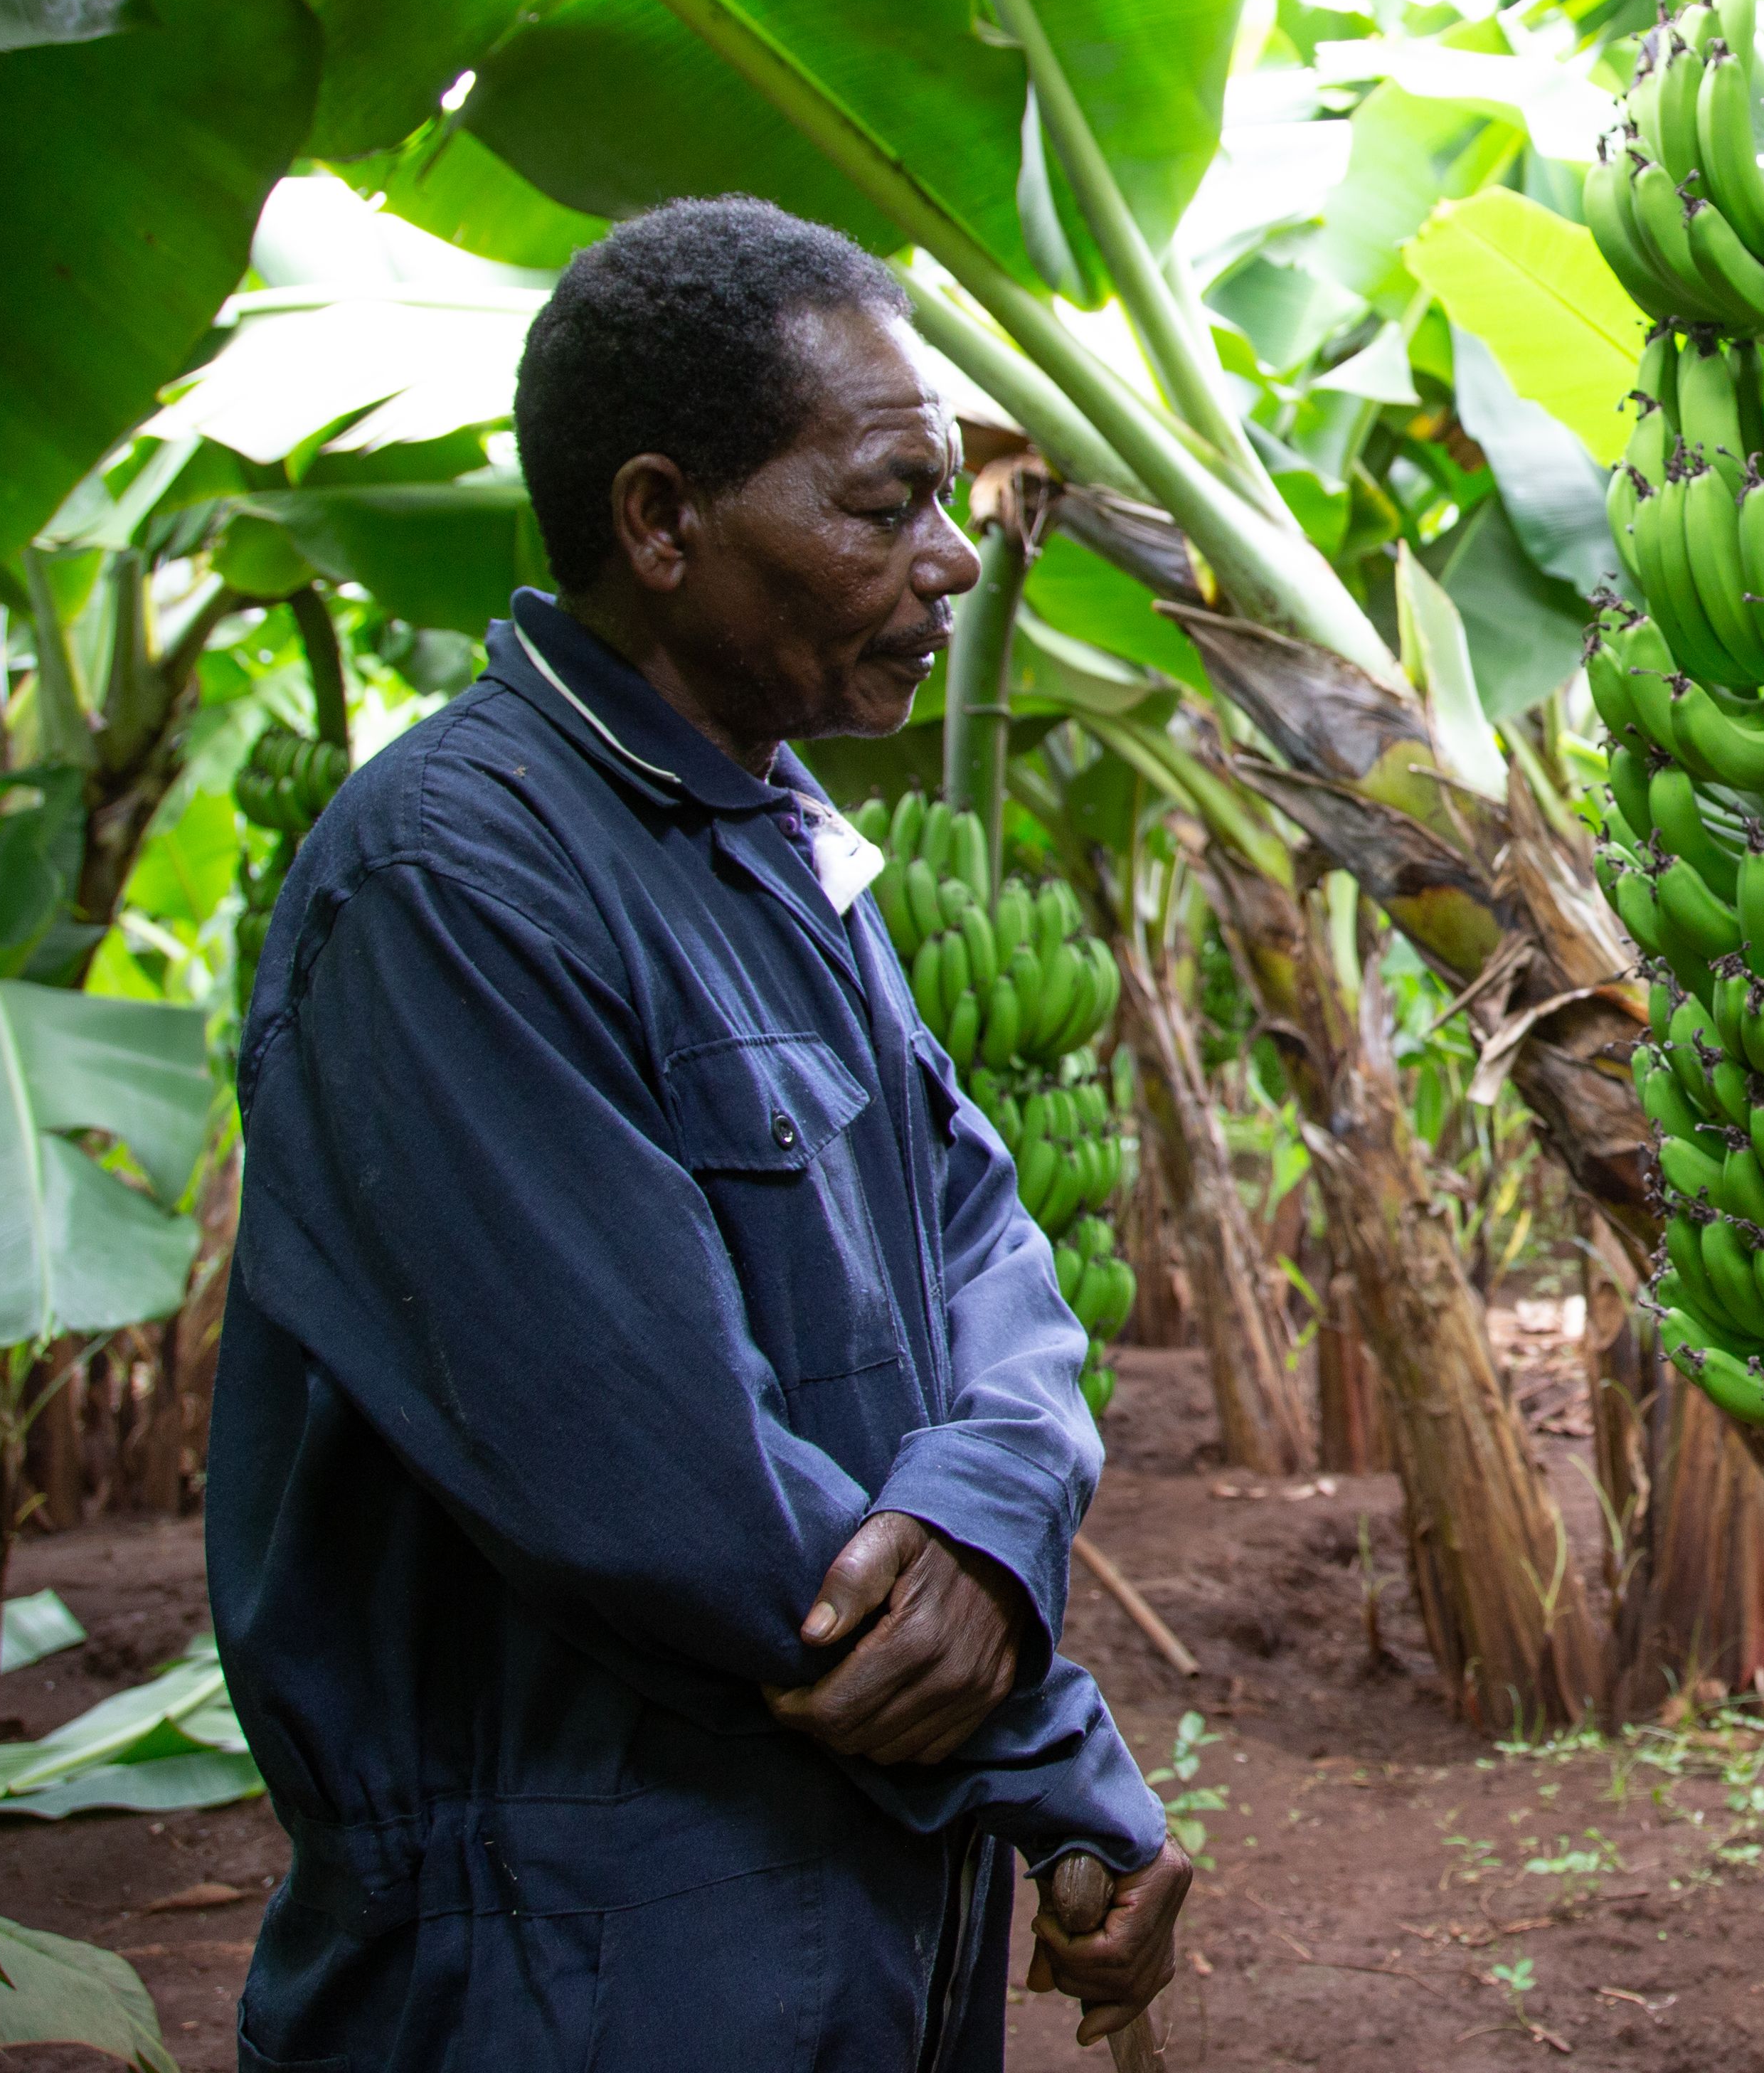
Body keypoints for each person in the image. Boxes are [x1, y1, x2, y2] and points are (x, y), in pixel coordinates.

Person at [210, 196, 1185, 2070]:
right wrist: (1064, 1768)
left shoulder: (775, 836)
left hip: (864, 1911)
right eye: (883, 504)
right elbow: (654, 1482)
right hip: (575, 1948)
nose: (952, 562)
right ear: (660, 521)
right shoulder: (450, 885)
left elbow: (984, 1237)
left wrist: (984, 1520)